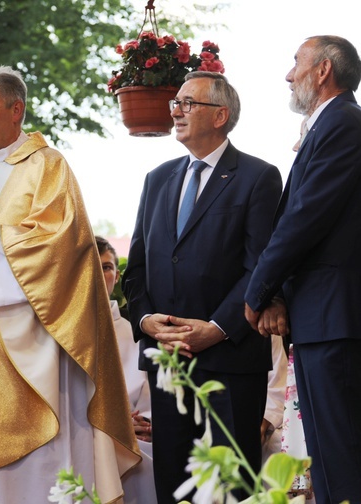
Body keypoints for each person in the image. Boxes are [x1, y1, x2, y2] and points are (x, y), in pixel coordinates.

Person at [0, 66, 140, 503]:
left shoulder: (46, 166)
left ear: (16, 110)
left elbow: (62, 241)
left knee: (31, 470)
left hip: (26, 346)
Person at [122, 71, 283, 503]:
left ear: (220, 115)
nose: (175, 109)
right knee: (175, 484)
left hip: (231, 358)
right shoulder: (157, 179)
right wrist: (146, 320)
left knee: (232, 486)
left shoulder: (258, 177)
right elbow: (135, 268)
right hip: (168, 360)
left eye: (188, 103)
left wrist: (217, 327)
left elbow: (261, 266)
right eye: (175, 101)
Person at [245, 35, 361, 503]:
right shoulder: (329, 126)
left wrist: (258, 290)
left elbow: (305, 216)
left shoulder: (343, 124)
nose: (288, 75)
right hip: (318, 317)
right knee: (326, 456)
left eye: (296, 63)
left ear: (323, 71)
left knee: (341, 453)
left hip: (334, 316)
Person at [96, 236, 156, 504]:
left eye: (107, 267)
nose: (100, 274)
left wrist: (144, 422)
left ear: (117, 276)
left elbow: (148, 398)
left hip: (135, 439)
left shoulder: (134, 334)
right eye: (92, 266)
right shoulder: (58, 334)